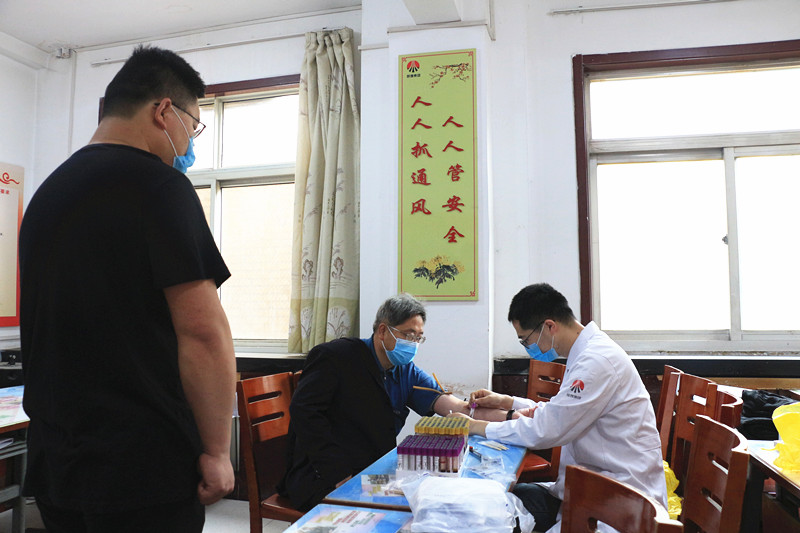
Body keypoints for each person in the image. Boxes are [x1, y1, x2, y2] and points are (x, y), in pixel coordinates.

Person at [19, 45, 235, 533]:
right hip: (141, 469)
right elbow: (203, 334)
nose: (190, 143)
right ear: (164, 111)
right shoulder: (160, 188)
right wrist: (218, 452)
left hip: (58, 466)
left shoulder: (46, 196)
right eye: (193, 126)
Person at [453, 283, 667, 532]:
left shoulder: (597, 361)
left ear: (549, 326)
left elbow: (548, 429)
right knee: (495, 500)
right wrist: (507, 401)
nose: (528, 348)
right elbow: (561, 411)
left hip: (619, 503)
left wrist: (478, 426)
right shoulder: (587, 352)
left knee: (493, 519)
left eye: (526, 340)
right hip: (594, 488)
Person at [278, 293, 499, 511]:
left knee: (430, 496)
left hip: (372, 471)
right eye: (408, 335)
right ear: (383, 331)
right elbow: (304, 412)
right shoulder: (336, 357)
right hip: (328, 475)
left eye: (418, 337)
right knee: (407, 508)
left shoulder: (404, 370)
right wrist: (338, 473)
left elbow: (453, 406)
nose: (413, 344)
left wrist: (508, 414)